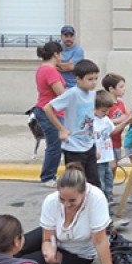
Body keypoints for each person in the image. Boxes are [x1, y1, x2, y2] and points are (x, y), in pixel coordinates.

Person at [14, 163, 132, 264]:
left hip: (78, 253)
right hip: (55, 236)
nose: (66, 204)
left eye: (72, 200)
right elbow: (47, 237)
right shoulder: (51, 200)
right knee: (14, 246)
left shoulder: (96, 198)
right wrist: (49, 251)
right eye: (62, 199)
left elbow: (100, 241)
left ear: (84, 193)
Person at [43, 59, 101, 189]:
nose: (94, 82)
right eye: (90, 79)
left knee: (94, 183)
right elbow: (48, 108)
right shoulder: (72, 94)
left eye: (96, 78)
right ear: (78, 79)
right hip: (74, 147)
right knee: (75, 184)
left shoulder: (92, 94)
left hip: (89, 145)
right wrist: (61, 129)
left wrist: (95, 145)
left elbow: (91, 121)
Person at [93, 90, 130, 229]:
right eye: (103, 111)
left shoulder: (105, 120)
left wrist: (127, 121)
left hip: (107, 157)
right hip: (97, 160)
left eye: (107, 111)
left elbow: (113, 130)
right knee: (100, 184)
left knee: (109, 183)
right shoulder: (91, 122)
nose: (106, 113)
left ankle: (107, 204)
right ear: (94, 109)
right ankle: (101, 210)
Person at [33, 41, 66, 187]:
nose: (62, 56)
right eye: (61, 53)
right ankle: (48, 176)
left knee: (54, 144)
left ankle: (49, 175)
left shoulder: (42, 68)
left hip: (46, 109)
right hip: (50, 111)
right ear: (55, 54)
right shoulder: (50, 70)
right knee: (54, 145)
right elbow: (60, 93)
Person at [101, 73, 131, 190]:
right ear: (111, 89)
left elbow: (125, 116)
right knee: (111, 165)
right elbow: (103, 121)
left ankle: (109, 189)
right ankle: (105, 189)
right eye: (121, 86)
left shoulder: (120, 103)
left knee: (114, 166)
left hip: (117, 141)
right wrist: (120, 119)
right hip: (107, 141)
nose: (124, 89)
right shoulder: (105, 105)